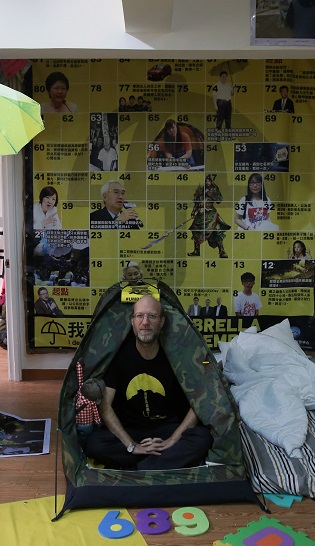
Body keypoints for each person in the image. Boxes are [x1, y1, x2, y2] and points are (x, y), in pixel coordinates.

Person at [84, 295, 214, 470]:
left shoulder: (177, 357)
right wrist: (132, 445)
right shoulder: (118, 356)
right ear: (132, 321)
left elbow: (199, 400)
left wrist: (171, 441)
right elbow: (105, 407)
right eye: (140, 316)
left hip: (167, 429)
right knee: (95, 443)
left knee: (203, 438)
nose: (145, 322)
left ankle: (139, 467)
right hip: (130, 429)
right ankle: (158, 465)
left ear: (161, 322)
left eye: (152, 316)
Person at [188, 175, 230, 258]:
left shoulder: (214, 190)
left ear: (211, 182)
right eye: (206, 181)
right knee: (195, 231)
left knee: (217, 232)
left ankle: (222, 251)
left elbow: (219, 200)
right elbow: (197, 203)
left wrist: (211, 194)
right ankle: (196, 251)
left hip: (211, 214)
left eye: (209, 181)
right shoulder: (201, 191)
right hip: (200, 215)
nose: (207, 183)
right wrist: (193, 212)